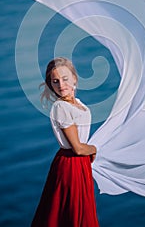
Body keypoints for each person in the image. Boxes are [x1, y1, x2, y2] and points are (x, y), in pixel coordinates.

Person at [31, 57, 99, 227]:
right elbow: (77, 148)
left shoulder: (79, 104)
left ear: (75, 78)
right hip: (71, 164)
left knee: (80, 211)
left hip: (80, 163)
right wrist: (94, 149)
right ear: (51, 85)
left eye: (65, 79)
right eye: (55, 81)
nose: (61, 85)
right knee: (70, 214)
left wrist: (88, 151)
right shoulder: (61, 107)